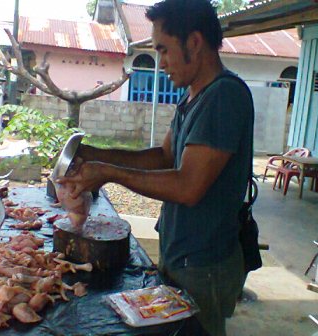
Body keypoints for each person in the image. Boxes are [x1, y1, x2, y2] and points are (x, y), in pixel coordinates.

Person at [56, 0, 254, 335]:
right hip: (182, 254)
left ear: (194, 42)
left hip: (205, 262)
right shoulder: (194, 96)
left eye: (164, 50)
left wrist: (109, 173)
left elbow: (187, 187)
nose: (161, 63)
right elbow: (162, 158)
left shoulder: (224, 97)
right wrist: (94, 155)